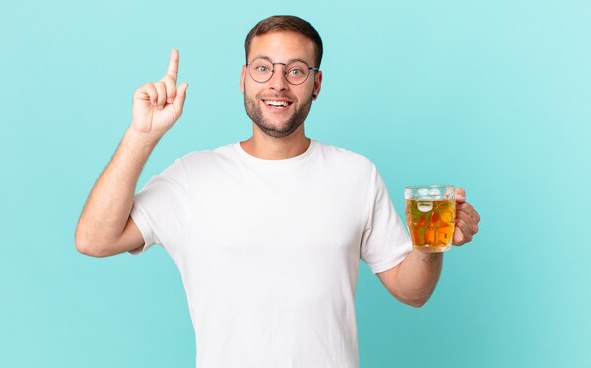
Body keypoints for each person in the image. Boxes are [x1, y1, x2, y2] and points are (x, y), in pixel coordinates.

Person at [75, 15, 480, 368]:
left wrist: (431, 246)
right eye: (263, 68)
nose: (278, 84)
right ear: (243, 78)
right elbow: (95, 239)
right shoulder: (192, 177)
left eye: (296, 71)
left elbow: (413, 292)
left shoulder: (355, 174)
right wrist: (141, 136)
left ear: (317, 83)